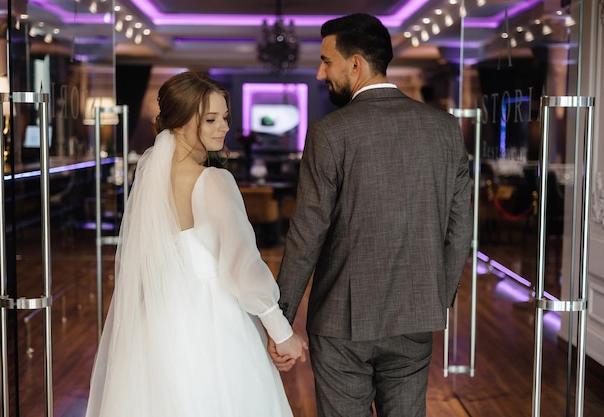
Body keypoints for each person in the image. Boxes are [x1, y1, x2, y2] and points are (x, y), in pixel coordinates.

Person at [268, 13, 473, 417]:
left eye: (327, 61)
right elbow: (460, 227)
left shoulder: (330, 132)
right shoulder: (444, 129)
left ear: (356, 63)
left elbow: (307, 233)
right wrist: (434, 299)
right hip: (413, 315)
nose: (319, 73)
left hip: (341, 322)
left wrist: (281, 320)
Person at [85, 71, 306, 417]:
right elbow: (242, 266)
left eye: (225, 118)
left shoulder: (149, 179)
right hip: (212, 321)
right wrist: (281, 332)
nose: (224, 128)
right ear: (181, 122)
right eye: (211, 119)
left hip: (157, 323)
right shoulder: (214, 180)